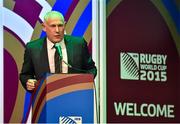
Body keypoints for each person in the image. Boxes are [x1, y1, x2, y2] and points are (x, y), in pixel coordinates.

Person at [20, 11, 97, 92]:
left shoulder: (78, 44)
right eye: (53, 26)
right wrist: (29, 82)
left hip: (75, 96)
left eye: (60, 25)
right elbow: (25, 75)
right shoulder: (33, 48)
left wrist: (82, 83)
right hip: (45, 99)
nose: (57, 30)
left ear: (65, 25)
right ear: (44, 27)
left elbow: (91, 69)